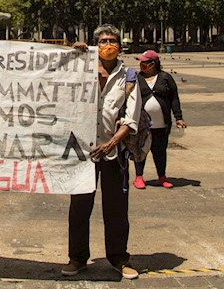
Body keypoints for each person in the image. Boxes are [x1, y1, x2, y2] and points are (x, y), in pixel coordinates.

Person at [64, 24, 141, 280]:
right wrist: (73, 56)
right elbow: (56, 83)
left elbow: (132, 118)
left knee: (116, 207)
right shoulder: (81, 70)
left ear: (120, 45)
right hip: (83, 153)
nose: (108, 45)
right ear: (95, 45)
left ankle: (119, 258)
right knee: (79, 207)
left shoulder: (129, 76)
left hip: (114, 152)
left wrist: (112, 143)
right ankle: (77, 258)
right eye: (103, 41)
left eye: (112, 40)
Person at [132, 50, 186, 189]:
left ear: (153, 63)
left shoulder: (165, 77)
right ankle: (139, 177)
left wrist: (178, 117)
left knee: (160, 151)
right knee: (140, 150)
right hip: (142, 124)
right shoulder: (137, 78)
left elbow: (174, 98)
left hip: (161, 124)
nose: (142, 64)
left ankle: (162, 177)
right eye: (141, 62)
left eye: (145, 62)